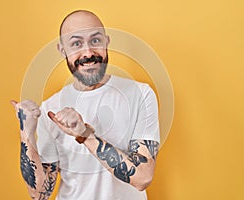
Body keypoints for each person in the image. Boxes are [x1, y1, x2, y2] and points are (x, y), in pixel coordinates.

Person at [11, 10, 160, 200]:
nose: (88, 52)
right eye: (76, 44)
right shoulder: (50, 109)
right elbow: (39, 194)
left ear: (107, 42)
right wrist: (27, 134)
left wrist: (84, 135)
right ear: (62, 50)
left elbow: (143, 177)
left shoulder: (140, 94)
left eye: (95, 41)